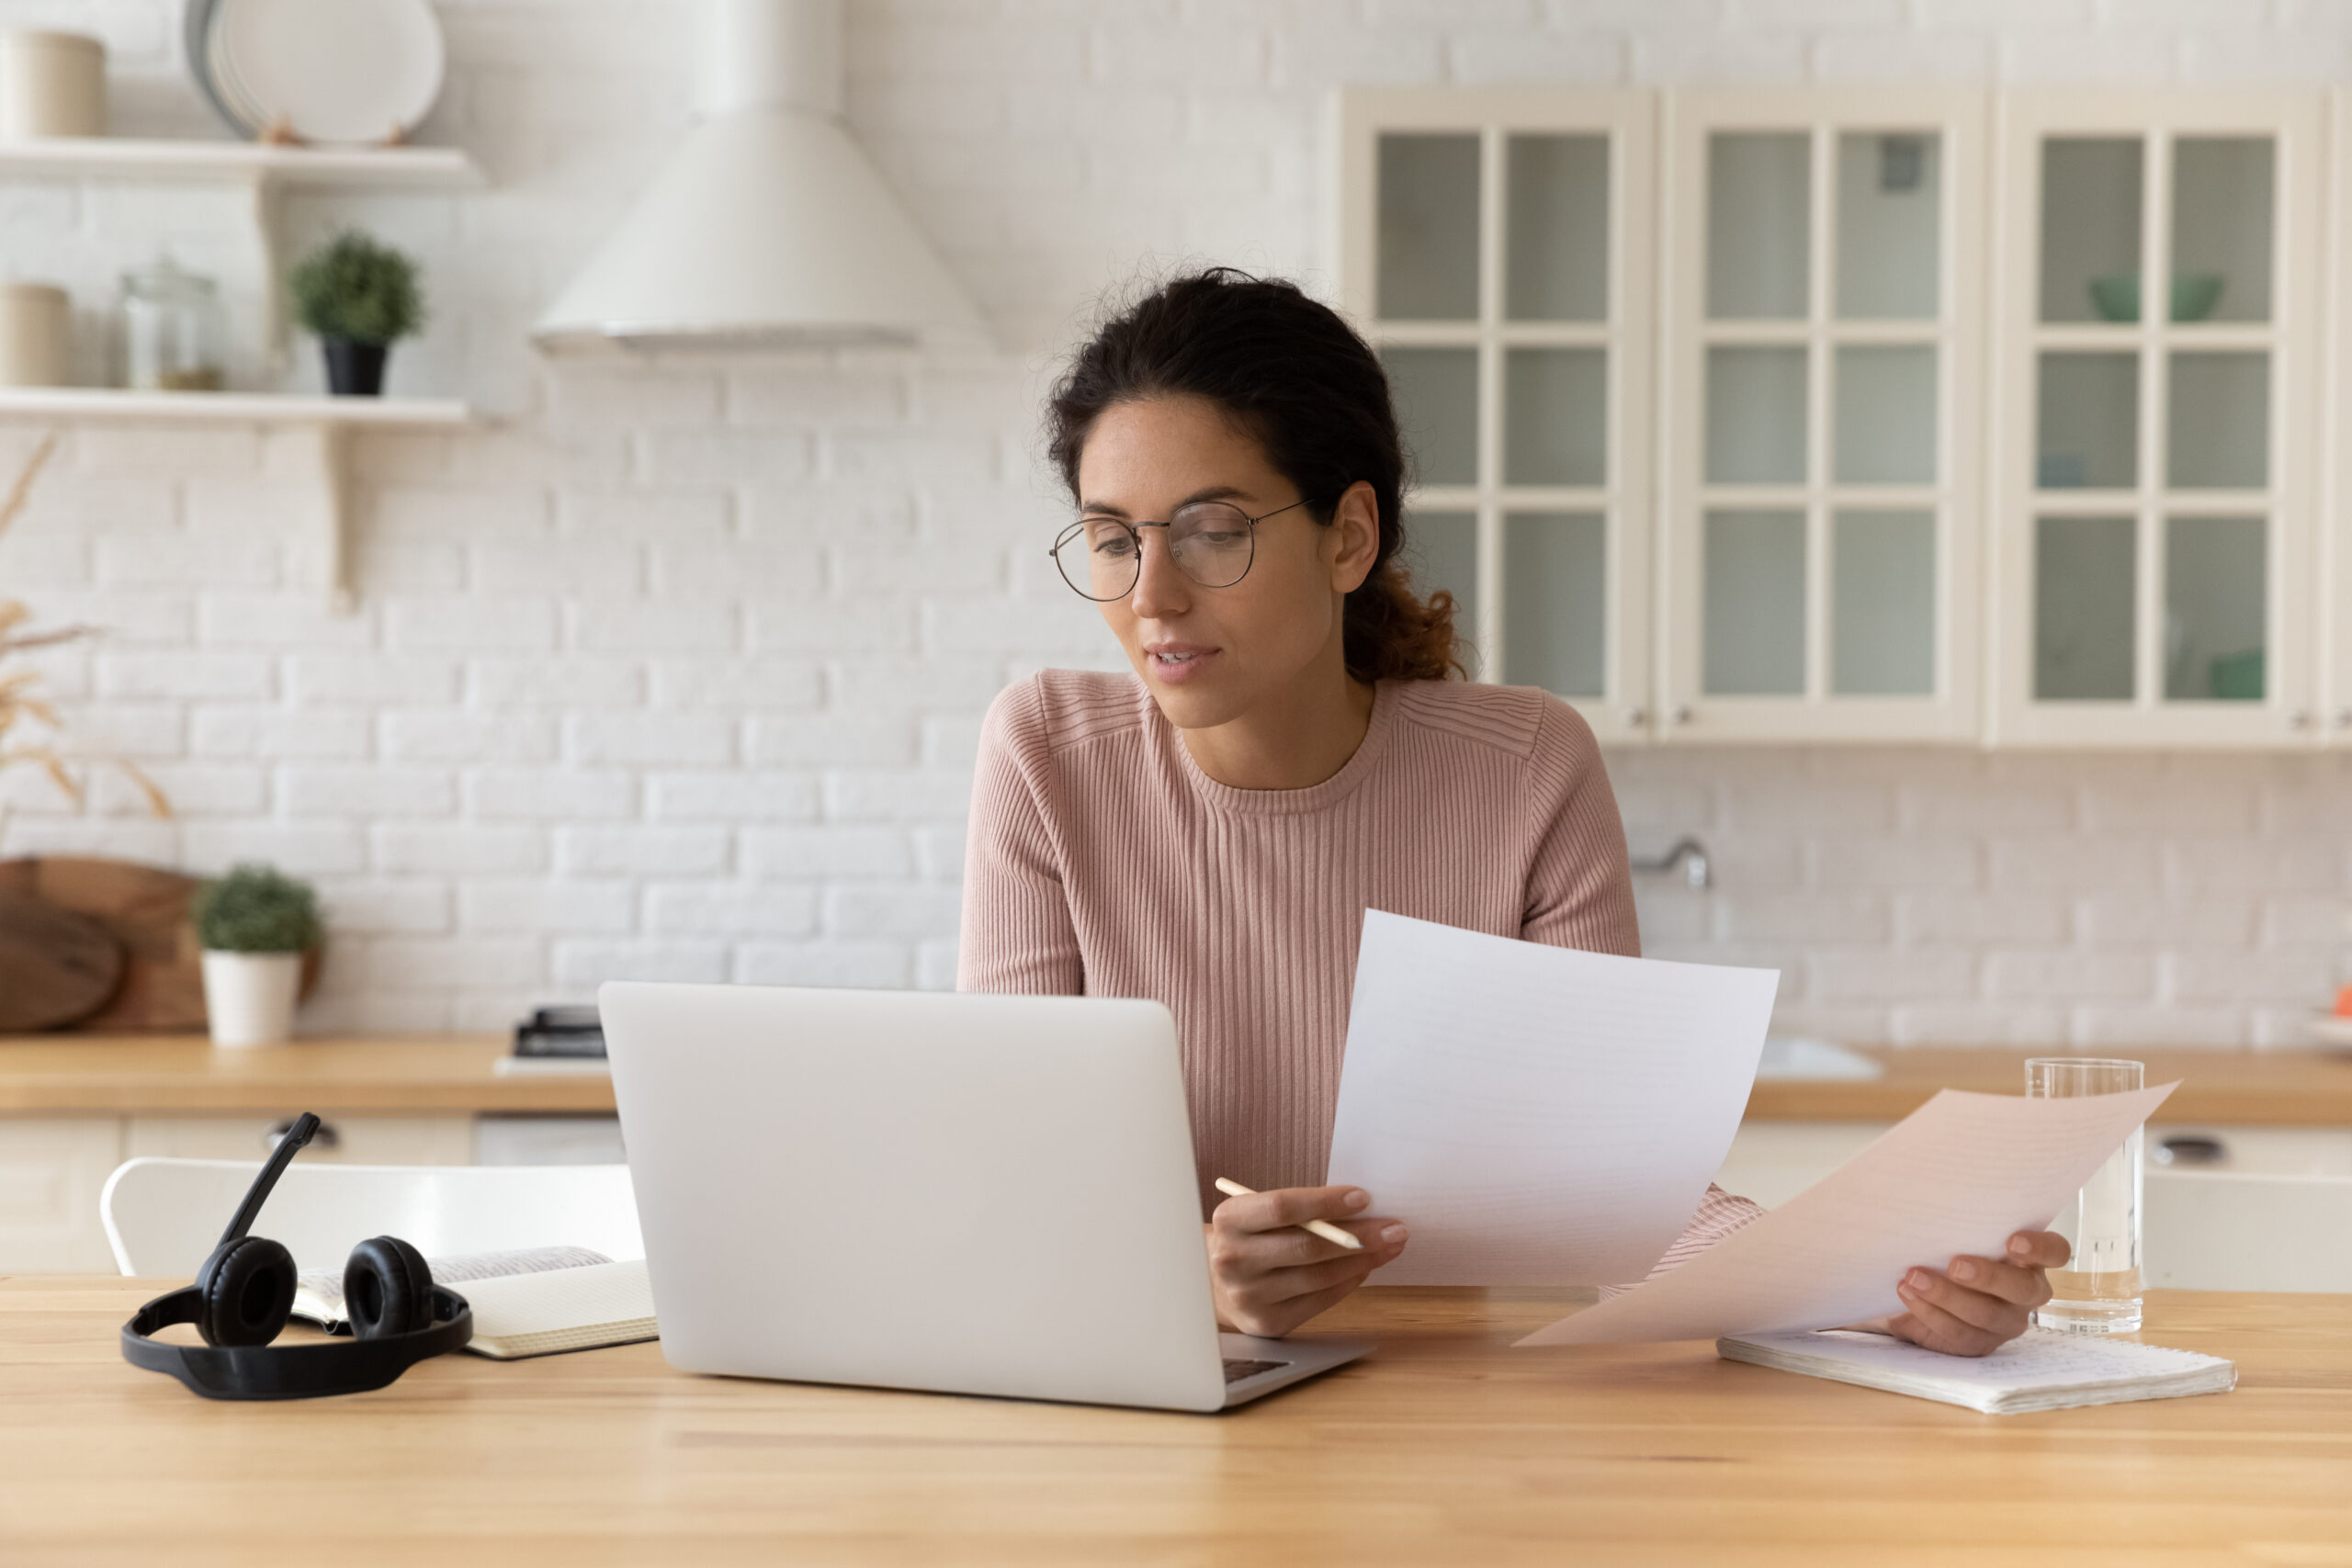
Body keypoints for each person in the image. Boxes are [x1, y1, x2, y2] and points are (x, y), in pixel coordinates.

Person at [957, 266, 2066, 1354]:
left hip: (1448, 1415)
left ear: (1348, 535)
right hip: (1156, 1410)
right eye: (1114, 539)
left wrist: (1885, 1292)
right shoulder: (1050, 757)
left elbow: (1624, 1192)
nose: (1152, 595)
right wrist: (1188, 1275)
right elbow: (1009, 1185)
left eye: (1211, 530)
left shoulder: (1525, 769)